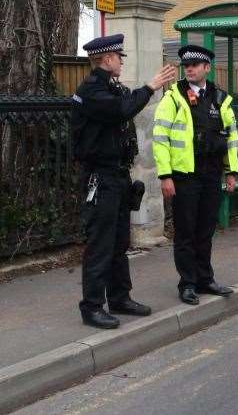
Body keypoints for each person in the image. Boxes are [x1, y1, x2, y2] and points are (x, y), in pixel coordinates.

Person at [72, 34, 176, 329]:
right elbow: (123, 110)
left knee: (119, 242)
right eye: (118, 57)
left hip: (117, 176)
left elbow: (127, 107)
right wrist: (151, 86)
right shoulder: (92, 91)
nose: (120, 61)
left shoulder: (112, 87)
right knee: (100, 245)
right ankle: (91, 307)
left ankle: (119, 298)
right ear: (106, 60)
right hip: (100, 177)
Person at [152, 46, 238, 306]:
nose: (189, 68)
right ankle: (187, 283)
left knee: (205, 230)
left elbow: (232, 137)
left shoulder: (220, 98)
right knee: (186, 232)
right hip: (184, 176)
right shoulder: (174, 96)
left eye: (195, 64)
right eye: (186, 65)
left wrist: (231, 171)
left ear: (207, 68)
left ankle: (205, 279)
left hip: (211, 175)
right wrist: (165, 176)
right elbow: (160, 138)